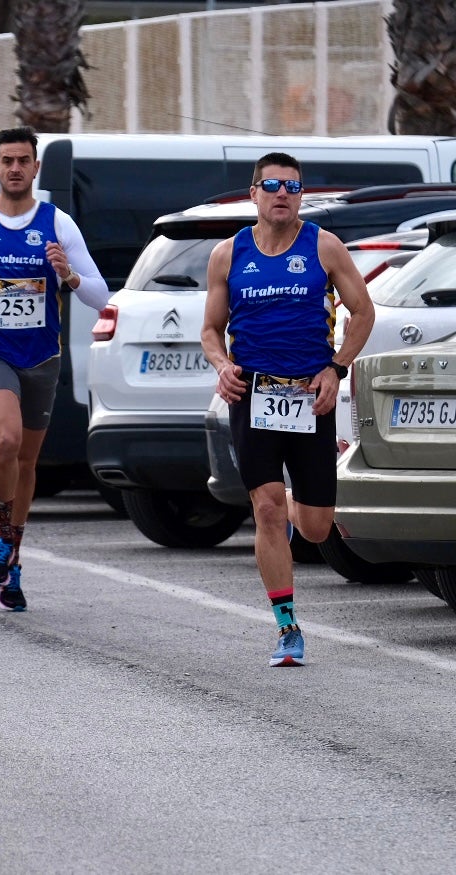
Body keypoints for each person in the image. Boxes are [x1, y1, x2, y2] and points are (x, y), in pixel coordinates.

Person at [200, 151, 374, 667]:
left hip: (309, 395)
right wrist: (221, 365)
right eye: (272, 185)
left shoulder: (323, 246)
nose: (282, 194)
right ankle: (287, 628)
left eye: (292, 187)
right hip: (252, 394)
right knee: (267, 508)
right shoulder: (227, 254)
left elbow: (362, 311)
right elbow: (211, 329)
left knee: (317, 528)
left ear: (302, 196)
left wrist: (336, 368)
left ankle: (304, 499)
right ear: (253, 193)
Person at [0, 126, 109, 610]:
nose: (15, 168)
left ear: (35, 168)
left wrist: (67, 275)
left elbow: (100, 295)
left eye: (23, 160)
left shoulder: (58, 224)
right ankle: (0, 534)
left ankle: (12, 556)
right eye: (6, 160)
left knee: (28, 461)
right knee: (7, 440)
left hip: (42, 357)